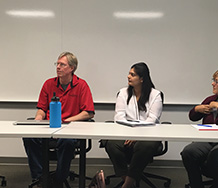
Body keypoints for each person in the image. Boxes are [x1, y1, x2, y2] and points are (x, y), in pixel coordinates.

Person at [23, 52, 95, 188]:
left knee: (67, 142)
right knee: (29, 137)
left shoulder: (81, 85)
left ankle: (59, 179)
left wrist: (68, 120)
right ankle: (39, 178)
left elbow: (88, 113)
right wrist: (38, 119)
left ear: (72, 68)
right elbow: (42, 109)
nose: (58, 67)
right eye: (57, 64)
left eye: (62, 65)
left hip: (70, 129)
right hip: (49, 128)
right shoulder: (49, 84)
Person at [104, 62, 163, 188]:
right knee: (111, 143)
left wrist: (137, 135)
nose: (128, 77)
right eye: (129, 74)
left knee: (145, 145)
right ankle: (126, 178)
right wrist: (129, 134)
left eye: (132, 74)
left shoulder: (155, 95)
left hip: (148, 135)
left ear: (142, 79)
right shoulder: (123, 93)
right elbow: (119, 116)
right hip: (125, 133)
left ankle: (127, 184)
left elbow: (152, 119)